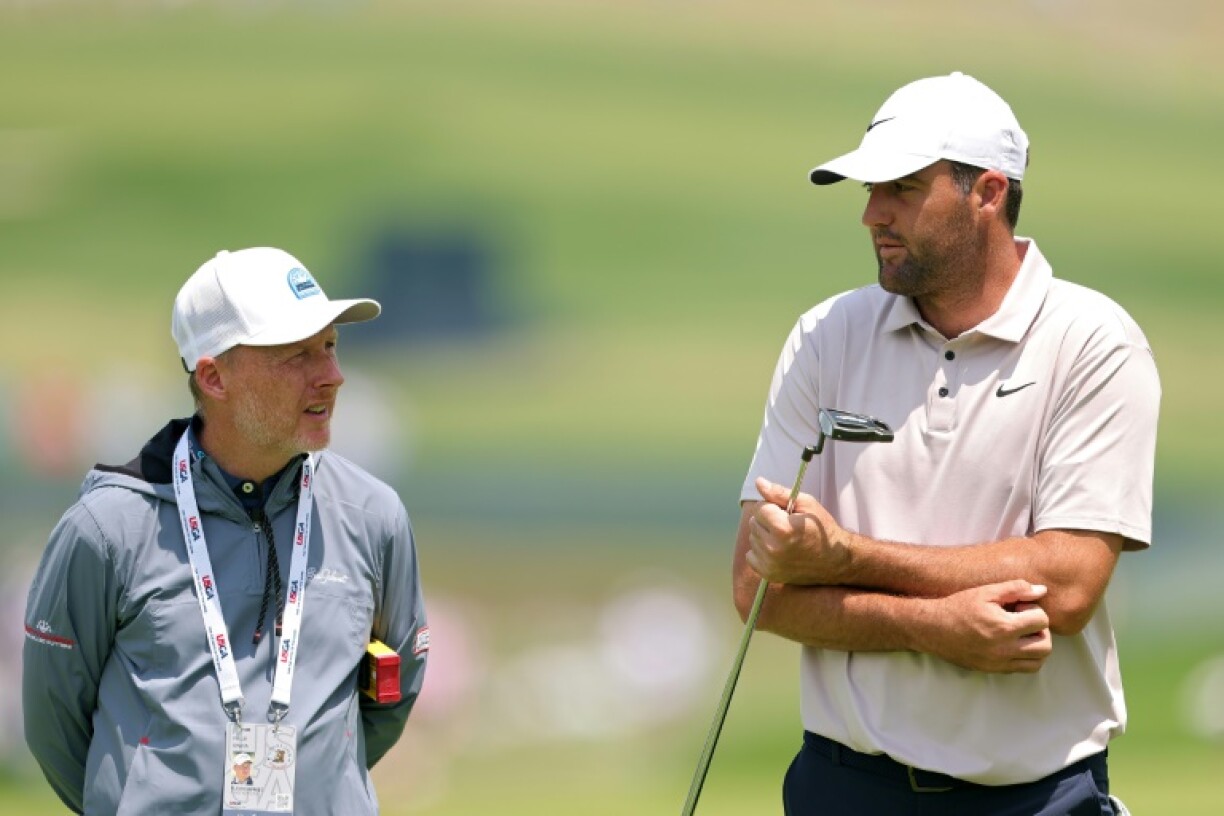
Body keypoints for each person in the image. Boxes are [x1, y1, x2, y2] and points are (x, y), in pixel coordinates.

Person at [735, 72, 1157, 815]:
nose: (871, 214)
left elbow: (1065, 586)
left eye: (901, 187)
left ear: (987, 193)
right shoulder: (826, 335)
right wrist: (934, 627)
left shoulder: (1092, 341)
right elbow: (758, 587)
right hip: (842, 788)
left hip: (1037, 799)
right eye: (869, 191)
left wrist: (848, 561)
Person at [23, 247, 429, 815]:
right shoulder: (108, 527)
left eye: (331, 347)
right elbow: (54, 722)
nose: (333, 377)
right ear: (214, 377)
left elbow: (392, 691)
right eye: (297, 356)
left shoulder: (373, 516)